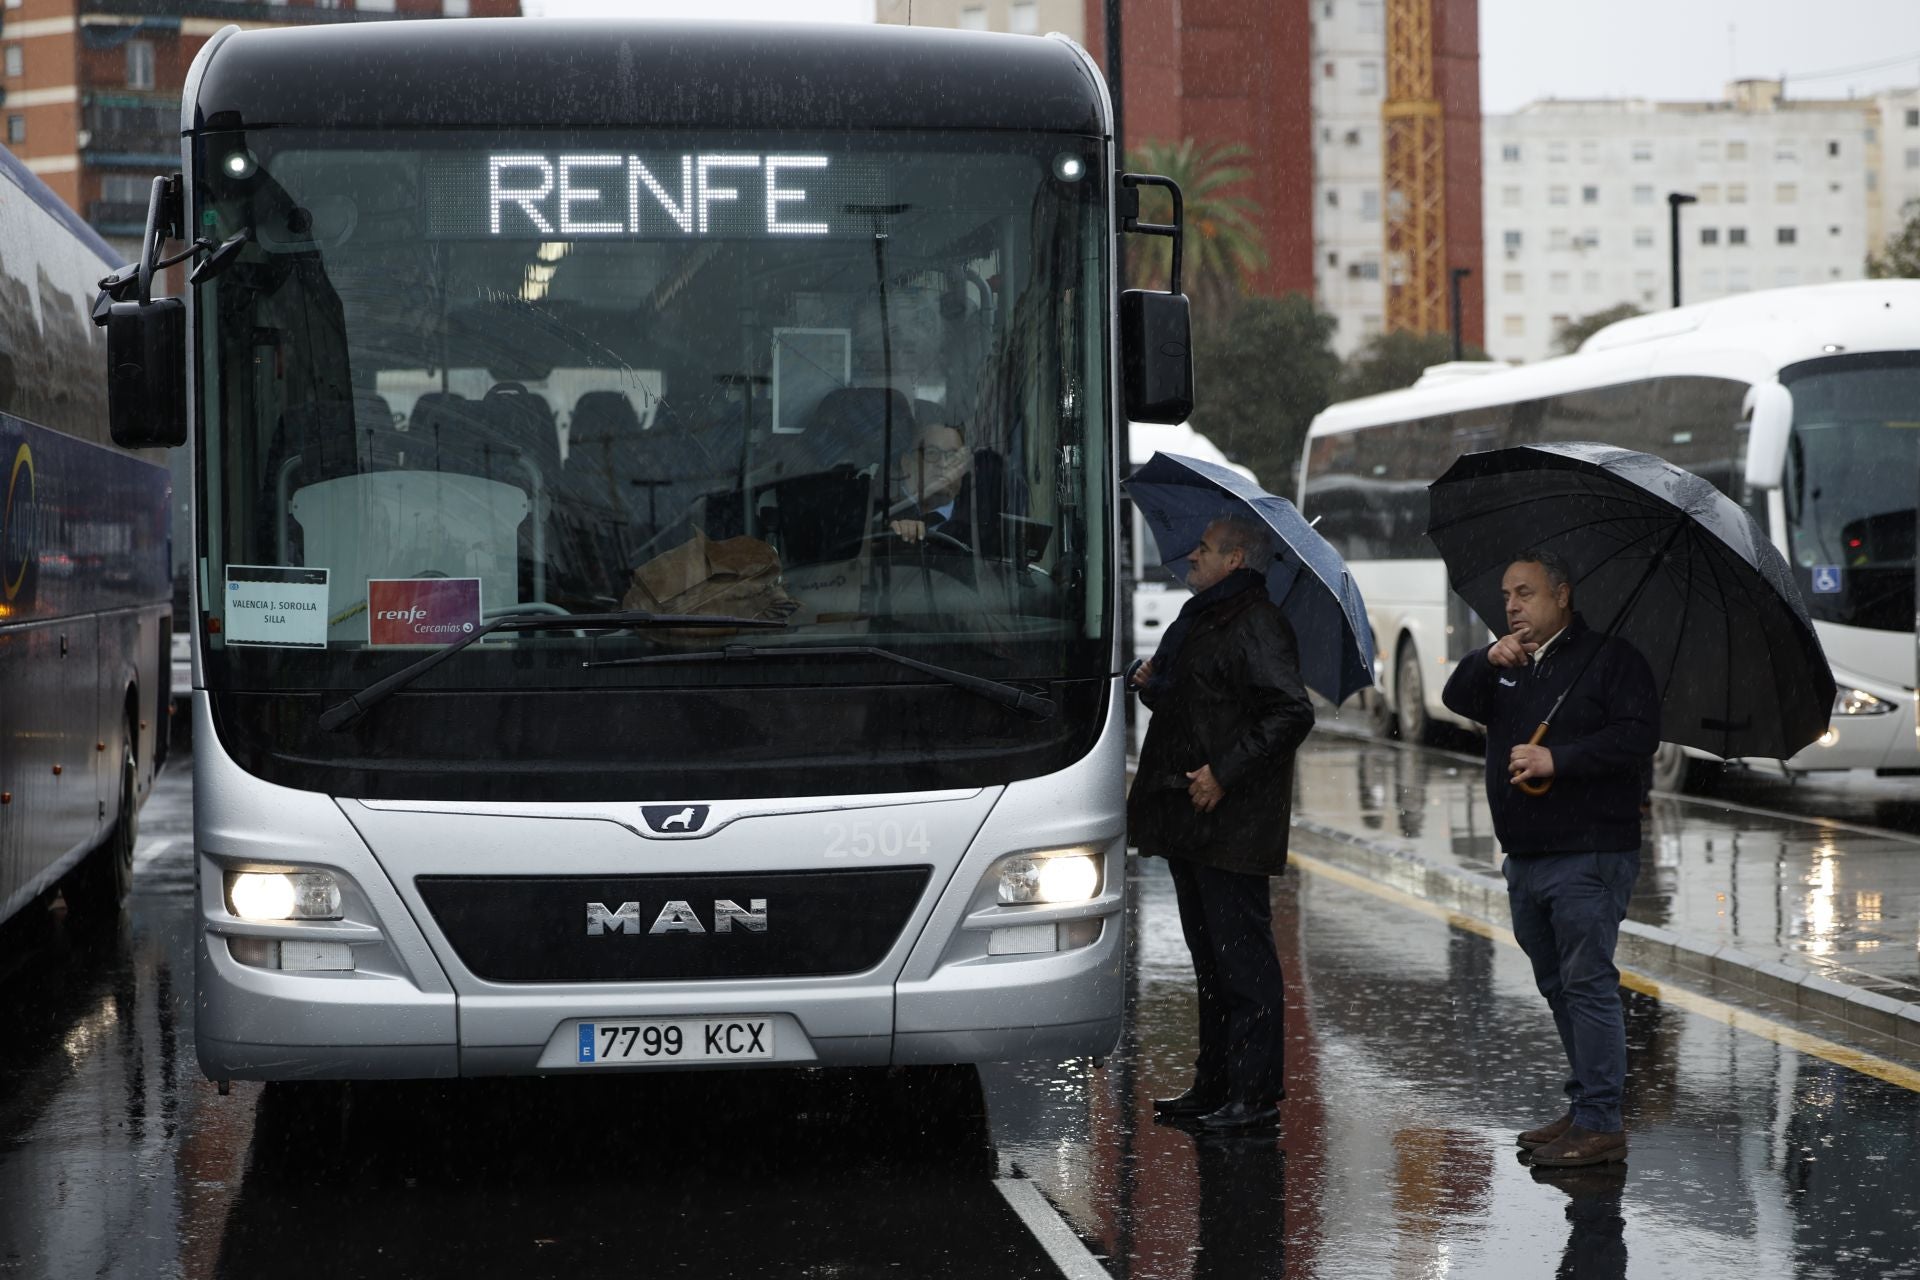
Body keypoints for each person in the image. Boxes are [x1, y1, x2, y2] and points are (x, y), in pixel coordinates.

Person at [1440, 548, 1658, 1169]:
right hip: (1527, 854)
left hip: (1589, 852)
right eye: (1508, 594)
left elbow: (1637, 736)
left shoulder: (1614, 660)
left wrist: (1557, 759)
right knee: (1557, 983)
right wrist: (1485, 659)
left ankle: (1601, 1122)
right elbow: (1458, 698)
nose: (1512, 605)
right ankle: (1587, 1101)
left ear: (1563, 596)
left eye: (1526, 593)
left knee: (1587, 983)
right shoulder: (1511, 665)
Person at [1128, 516, 1315, 1131]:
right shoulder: (1202, 617)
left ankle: (1254, 1097)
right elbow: (1198, 701)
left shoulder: (1257, 621)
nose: (1190, 557)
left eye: (1203, 549)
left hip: (1233, 821)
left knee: (1244, 964)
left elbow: (1289, 711)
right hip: (1190, 817)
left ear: (1236, 559)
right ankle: (1213, 1085)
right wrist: (1153, 685)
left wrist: (1224, 773)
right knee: (1209, 960)